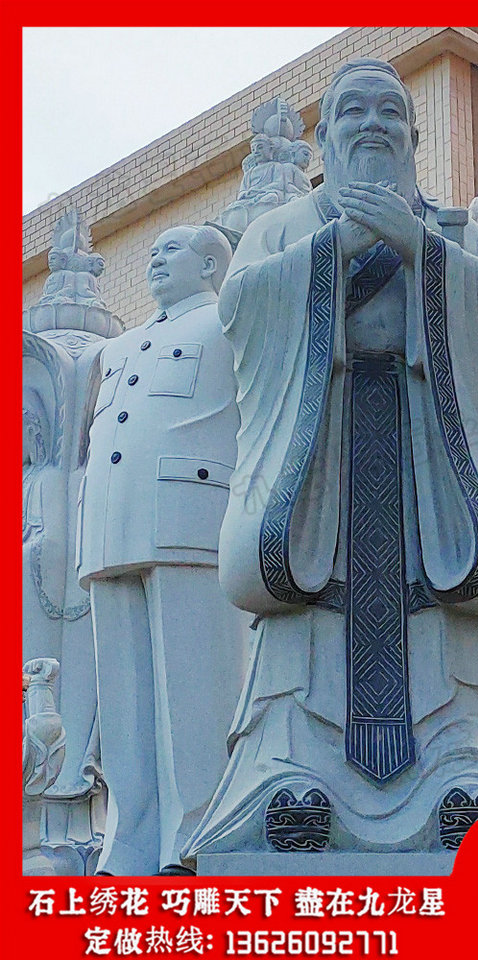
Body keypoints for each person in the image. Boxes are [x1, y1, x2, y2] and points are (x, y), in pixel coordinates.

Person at [183, 59, 478, 863]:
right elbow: (241, 310)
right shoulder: (283, 228)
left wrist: (418, 248)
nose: (372, 123)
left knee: (436, 620)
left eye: (388, 111)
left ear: (413, 134)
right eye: (352, 110)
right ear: (325, 135)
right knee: (308, 625)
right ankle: (291, 778)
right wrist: (334, 247)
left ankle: (459, 775)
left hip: (423, 455)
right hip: (320, 453)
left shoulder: (457, 232)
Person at [77, 224, 249, 875]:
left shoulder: (229, 320)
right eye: (152, 250)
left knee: (193, 689)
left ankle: (193, 836)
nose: (155, 258)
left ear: (210, 264)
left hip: (190, 517)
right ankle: (128, 840)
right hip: (110, 523)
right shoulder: (116, 349)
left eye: (171, 249)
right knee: (123, 700)